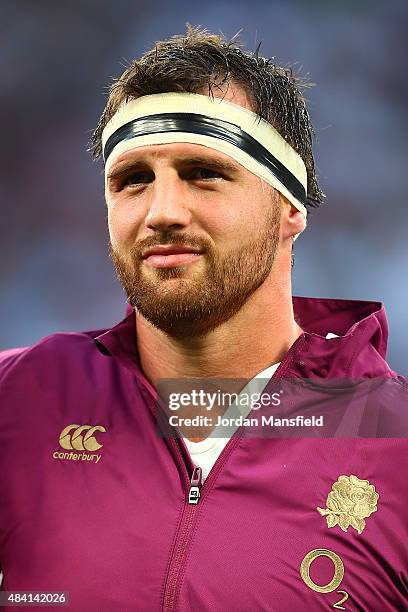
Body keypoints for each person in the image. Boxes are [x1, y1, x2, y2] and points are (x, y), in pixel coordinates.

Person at [0, 26, 407, 611]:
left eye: (203, 173)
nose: (161, 212)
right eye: (133, 180)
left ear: (290, 205)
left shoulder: (394, 443)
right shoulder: (21, 403)